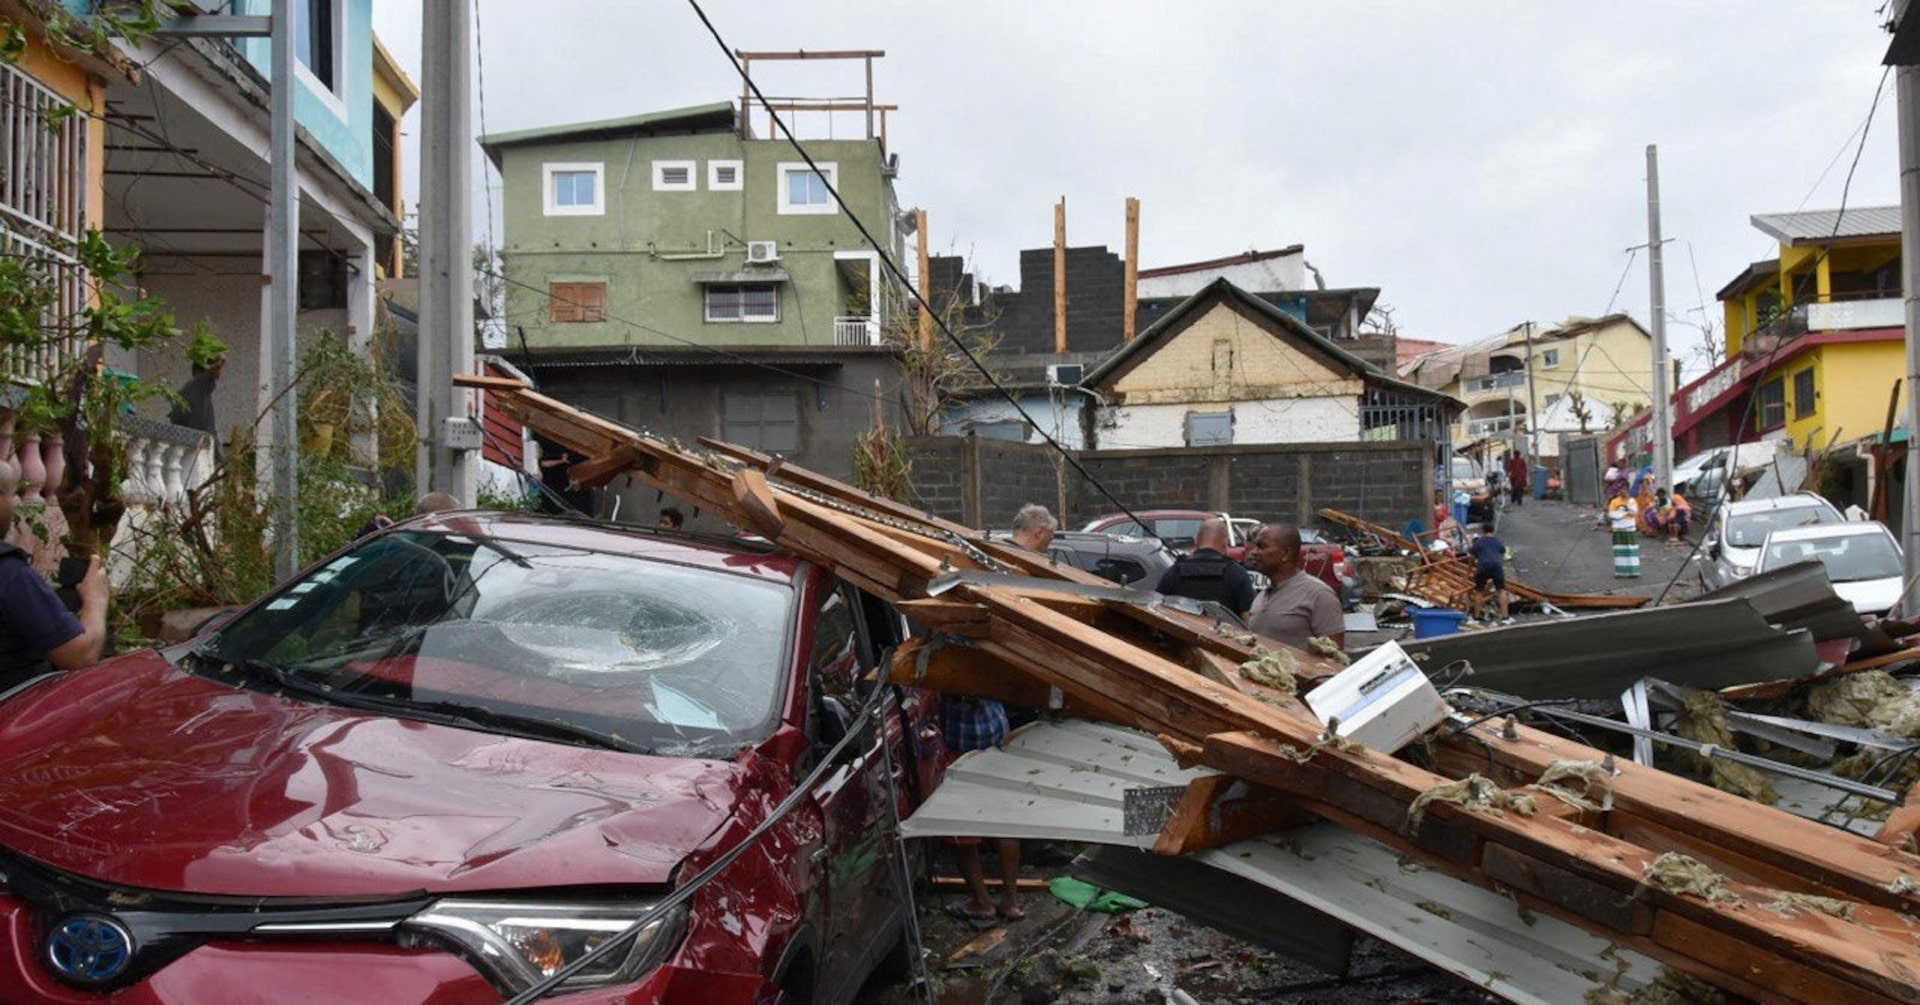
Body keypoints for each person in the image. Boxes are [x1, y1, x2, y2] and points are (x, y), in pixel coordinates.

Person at [946, 503, 1055, 926]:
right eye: (1051, 537)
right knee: (1002, 813)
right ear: (1041, 532)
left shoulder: (982, 574)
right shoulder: (1014, 571)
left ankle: (982, 902)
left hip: (966, 721)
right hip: (994, 715)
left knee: (960, 819)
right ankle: (1010, 901)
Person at [0, 456, 110, 690]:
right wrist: (95, 601)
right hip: (17, 716)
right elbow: (81, 655)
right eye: (10, 495)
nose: (14, 504)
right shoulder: (9, 573)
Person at [1246, 523, 1345, 651]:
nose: (1253, 553)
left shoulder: (1319, 595)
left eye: (1261, 547)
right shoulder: (1260, 597)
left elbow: (1335, 661)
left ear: (1285, 554)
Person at [1155, 517, 1256, 617]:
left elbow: (1156, 612)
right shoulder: (1237, 574)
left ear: (1196, 540)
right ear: (1226, 542)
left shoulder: (1174, 572)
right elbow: (1249, 620)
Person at [1468, 529, 1512, 623]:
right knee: (1501, 590)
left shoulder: (1479, 542)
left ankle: (1476, 617)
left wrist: (1470, 570)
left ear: (1483, 531)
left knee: (1479, 591)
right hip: (1497, 566)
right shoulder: (1498, 541)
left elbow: (1472, 557)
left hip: (1483, 566)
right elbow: (1503, 553)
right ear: (1493, 531)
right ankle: (1506, 617)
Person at [1607, 485, 1641, 578]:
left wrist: (1621, 512)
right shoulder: (1614, 501)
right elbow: (1612, 515)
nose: (1623, 492)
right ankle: (1621, 572)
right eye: (1621, 490)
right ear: (1619, 491)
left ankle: (1633, 572)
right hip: (1618, 530)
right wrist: (1626, 511)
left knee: (1631, 550)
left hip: (1629, 529)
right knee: (1619, 551)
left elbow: (1634, 512)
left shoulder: (1632, 501)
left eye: (1625, 490)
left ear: (1628, 491)